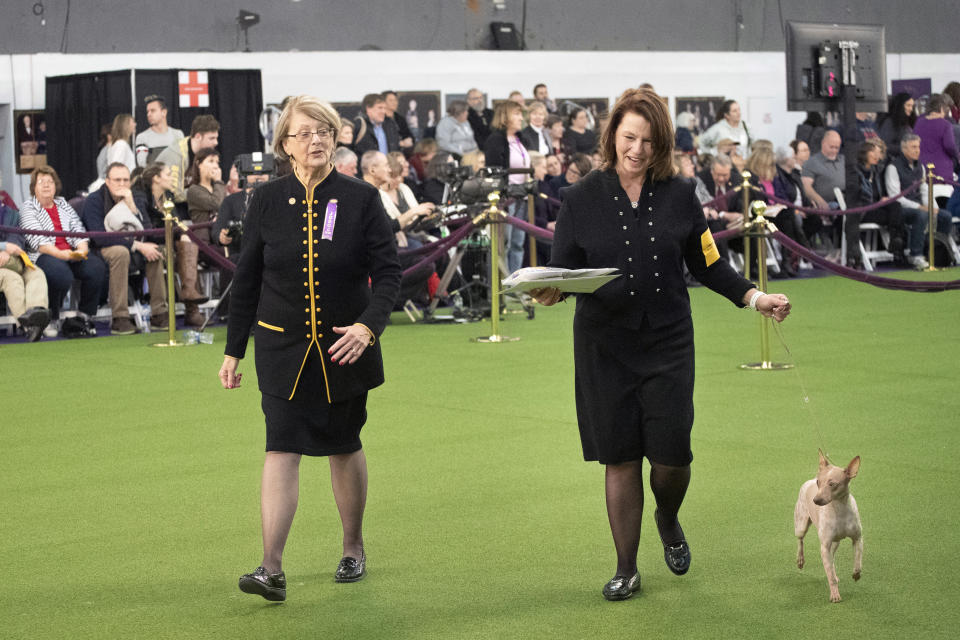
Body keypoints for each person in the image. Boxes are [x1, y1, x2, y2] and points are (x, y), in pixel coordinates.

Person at [531, 88, 790, 602]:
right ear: (612, 136)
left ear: (662, 143)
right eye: (629, 137)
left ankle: (667, 515)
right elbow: (561, 272)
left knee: (672, 459)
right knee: (620, 457)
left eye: (649, 140)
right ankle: (626, 567)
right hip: (604, 346)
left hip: (669, 339)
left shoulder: (681, 193)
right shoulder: (579, 198)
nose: (638, 149)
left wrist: (754, 296)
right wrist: (548, 291)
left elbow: (708, 262)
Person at [220, 95, 401, 603]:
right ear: (285, 144)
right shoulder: (266, 201)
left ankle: (352, 547)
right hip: (279, 350)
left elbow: (388, 274)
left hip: (346, 347)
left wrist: (368, 328)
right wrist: (233, 350)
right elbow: (248, 278)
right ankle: (271, 567)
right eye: (304, 133)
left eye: (323, 130)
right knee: (280, 446)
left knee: (344, 445)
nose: (316, 139)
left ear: (336, 136)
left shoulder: (362, 198)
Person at [20, 166, 106, 338]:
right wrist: (63, 255)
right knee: (61, 274)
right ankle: (52, 317)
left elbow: (78, 229)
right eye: (41, 182)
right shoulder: (28, 208)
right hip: (44, 254)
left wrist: (81, 249)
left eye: (50, 182)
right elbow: (39, 242)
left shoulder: (63, 204)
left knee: (97, 267)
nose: (46, 185)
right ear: (33, 187)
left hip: (71, 252)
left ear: (56, 185)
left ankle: (84, 315)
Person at [81, 162, 167, 334]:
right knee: (120, 253)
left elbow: (147, 232)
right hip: (104, 249)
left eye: (125, 180)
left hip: (133, 247)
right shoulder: (94, 201)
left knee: (155, 250)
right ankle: (120, 318)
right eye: (117, 180)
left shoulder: (134, 197)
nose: (122, 184)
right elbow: (99, 237)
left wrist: (132, 207)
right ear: (107, 181)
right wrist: (137, 245)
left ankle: (159, 313)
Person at [884, 133, 953, 268]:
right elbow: (895, 197)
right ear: (904, 149)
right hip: (899, 209)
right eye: (913, 147)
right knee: (921, 215)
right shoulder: (892, 168)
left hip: (918, 207)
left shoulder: (920, 167)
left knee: (945, 216)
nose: (917, 150)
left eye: (918, 147)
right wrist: (919, 207)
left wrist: (932, 206)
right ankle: (915, 255)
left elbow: (924, 190)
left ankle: (938, 252)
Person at [484, 100, 532, 273]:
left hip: (523, 197)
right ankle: (500, 285)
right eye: (517, 114)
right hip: (506, 198)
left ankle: (515, 286)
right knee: (503, 243)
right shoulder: (495, 139)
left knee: (518, 244)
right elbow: (495, 171)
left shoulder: (521, 139)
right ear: (505, 116)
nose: (521, 118)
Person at [843, 138, 906, 268]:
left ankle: (895, 240)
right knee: (895, 214)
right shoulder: (855, 173)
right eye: (873, 152)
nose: (877, 156)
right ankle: (897, 248)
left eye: (878, 153)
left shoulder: (875, 171)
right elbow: (856, 196)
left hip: (875, 208)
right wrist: (877, 201)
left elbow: (885, 158)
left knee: (895, 205)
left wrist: (881, 201)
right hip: (861, 211)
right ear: (864, 153)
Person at [184, 148, 227, 326]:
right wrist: (219, 182)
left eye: (217, 162)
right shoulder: (194, 190)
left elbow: (225, 209)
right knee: (228, 261)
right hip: (203, 244)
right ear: (198, 164)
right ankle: (225, 311)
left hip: (221, 238)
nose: (215, 166)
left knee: (236, 259)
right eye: (210, 161)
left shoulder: (219, 187)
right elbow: (217, 203)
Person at [0, 199, 50, 341]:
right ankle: (29, 325)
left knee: (36, 273)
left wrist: (8, 251)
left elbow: (17, 237)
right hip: (7, 266)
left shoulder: (10, 213)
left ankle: (37, 312)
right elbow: (7, 245)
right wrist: (3, 247)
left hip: (13, 260)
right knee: (11, 278)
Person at [913, 94, 960, 201]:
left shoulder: (919, 123)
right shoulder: (945, 125)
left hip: (923, 170)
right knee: (943, 207)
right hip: (941, 172)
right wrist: (957, 156)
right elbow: (950, 146)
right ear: (942, 108)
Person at [135, 95, 184, 167]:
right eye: (147, 112)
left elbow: (183, 160)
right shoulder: (142, 137)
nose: (149, 114)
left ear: (164, 112)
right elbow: (142, 164)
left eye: (153, 111)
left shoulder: (178, 134)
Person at [877, 92, 916, 160]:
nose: (911, 109)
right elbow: (884, 145)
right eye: (908, 105)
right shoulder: (890, 123)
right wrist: (904, 148)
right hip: (893, 163)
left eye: (912, 106)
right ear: (900, 106)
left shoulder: (906, 123)